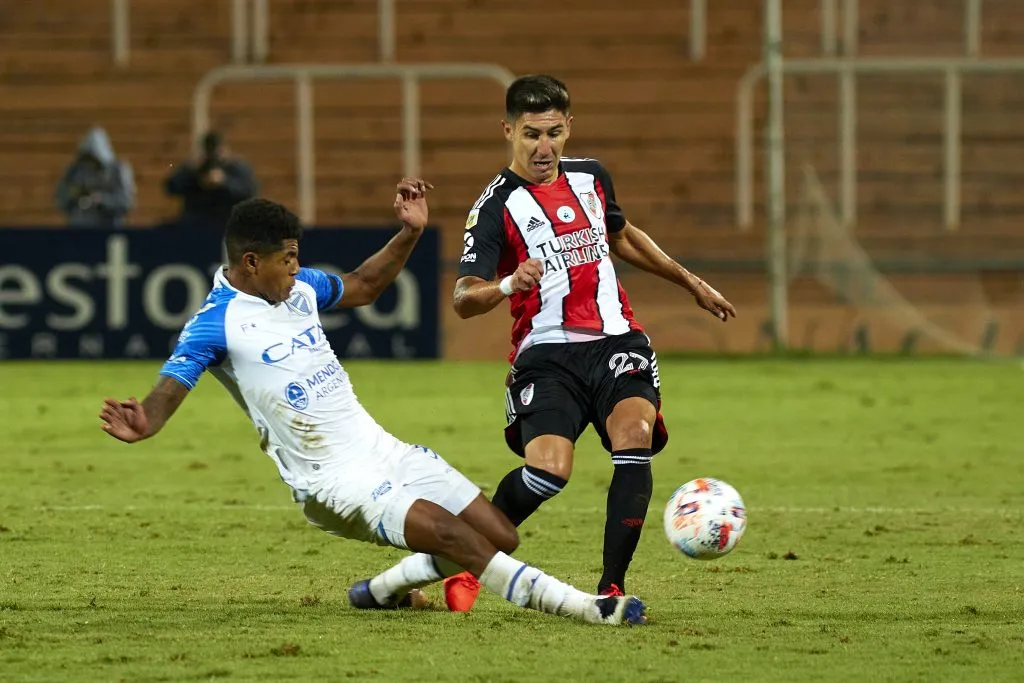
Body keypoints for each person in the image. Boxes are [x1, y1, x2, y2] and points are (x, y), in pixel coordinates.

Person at [97, 183, 647, 627]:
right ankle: (584, 608)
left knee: (500, 534)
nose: (297, 268)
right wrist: (146, 420)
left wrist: (409, 233)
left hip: (382, 449)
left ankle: (381, 591)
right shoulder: (214, 323)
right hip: (332, 481)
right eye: (288, 259)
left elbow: (362, 285)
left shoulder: (299, 289)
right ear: (250, 261)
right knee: (455, 537)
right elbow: (172, 384)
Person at [441, 74, 737, 611]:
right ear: (508, 130)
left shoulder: (592, 177)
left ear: (569, 127)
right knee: (549, 471)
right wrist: (507, 284)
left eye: (554, 133)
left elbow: (622, 236)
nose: (544, 147)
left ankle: (611, 587)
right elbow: (463, 298)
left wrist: (692, 282)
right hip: (546, 354)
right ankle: (470, 559)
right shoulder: (494, 207)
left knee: (634, 435)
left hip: (617, 340)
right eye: (531, 134)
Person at [164, 131, 258, 230]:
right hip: (197, 224)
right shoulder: (194, 167)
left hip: (225, 224)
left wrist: (224, 181)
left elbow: (249, 191)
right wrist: (192, 173)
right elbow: (171, 187)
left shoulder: (235, 168)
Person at [54, 126, 135, 227]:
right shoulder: (75, 171)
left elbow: (126, 202)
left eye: (93, 159)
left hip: (108, 228)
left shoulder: (118, 171)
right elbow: (61, 199)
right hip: (78, 228)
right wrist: (75, 195)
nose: (90, 165)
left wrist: (101, 200)